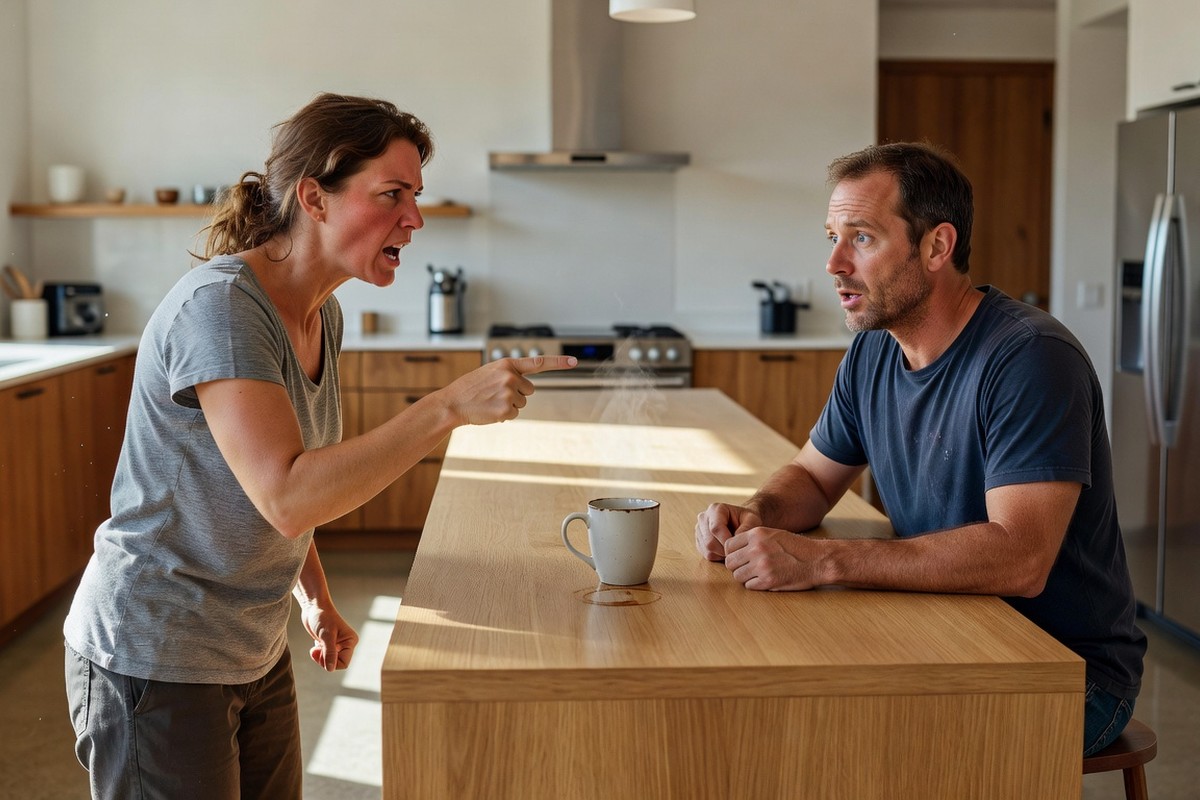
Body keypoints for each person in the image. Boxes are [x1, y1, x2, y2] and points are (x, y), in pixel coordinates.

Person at [62, 93, 576, 799]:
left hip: (250, 642)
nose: (415, 218)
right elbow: (288, 493)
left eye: (416, 196)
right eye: (391, 194)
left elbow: (284, 482)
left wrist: (315, 596)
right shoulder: (222, 308)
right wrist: (446, 405)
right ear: (315, 197)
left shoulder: (319, 315)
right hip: (157, 652)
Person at [694, 141, 1145, 756]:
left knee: (836, 742)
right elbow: (814, 475)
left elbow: (1020, 558)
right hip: (946, 627)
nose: (833, 263)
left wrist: (823, 562)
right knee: (773, 712)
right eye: (831, 235)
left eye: (862, 238)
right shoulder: (874, 350)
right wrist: (757, 515)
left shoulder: (1030, 358)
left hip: (1063, 672)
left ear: (937, 246)